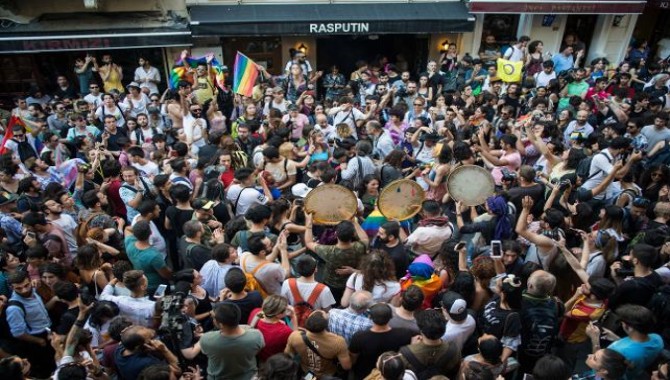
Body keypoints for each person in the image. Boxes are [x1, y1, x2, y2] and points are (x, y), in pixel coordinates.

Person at [198, 303, 265, 380]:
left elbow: (205, 353)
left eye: (213, 318)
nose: (212, 319)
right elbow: (258, 350)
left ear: (221, 324)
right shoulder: (256, 335)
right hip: (248, 376)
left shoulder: (206, 339)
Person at [348, 303, 414, 380]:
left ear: (370, 317)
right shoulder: (405, 333)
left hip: (364, 372)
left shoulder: (359, 336)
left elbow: (353, 357)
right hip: (392, 370)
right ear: (391, 317)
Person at [285, 310, 351, 378]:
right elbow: (346, 366)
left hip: (306, 372)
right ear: (326, 325)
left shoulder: (295, 336)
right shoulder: (338, 342)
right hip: (328, 375)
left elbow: (287, 355)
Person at [399, 309, 462, 379]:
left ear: (421, 331)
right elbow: (455, 372)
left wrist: (411, 347)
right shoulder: (454, 351)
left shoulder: (405, 354)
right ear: (443, 330)